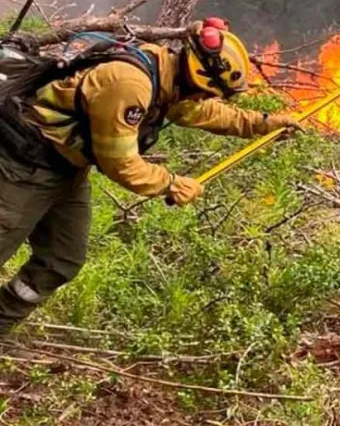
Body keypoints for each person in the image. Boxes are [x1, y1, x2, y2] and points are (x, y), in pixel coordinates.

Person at [0, 18, 300, 336]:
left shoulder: (165, 74)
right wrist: (170, 183)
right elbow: (119, 162)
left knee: (62, 259)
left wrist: (264, 124)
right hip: (23, 167)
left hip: (67, 171)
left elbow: (201, 113)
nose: (205, 100)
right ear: (197, 78)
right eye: (207, 93)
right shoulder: (130, 84)